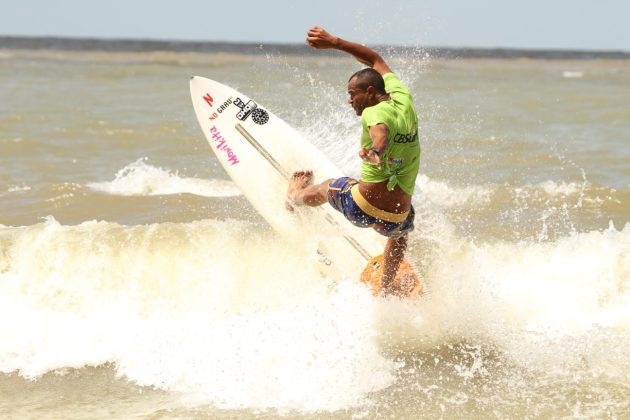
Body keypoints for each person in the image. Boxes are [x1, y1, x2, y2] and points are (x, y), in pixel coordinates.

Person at [287, 26, 421, 296]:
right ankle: (385, 287)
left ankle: (294, 198)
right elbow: (375, 60)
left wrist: (377, 151)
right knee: (402, 232)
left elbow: (380, 133)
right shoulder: (403, 99)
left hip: (362, 208)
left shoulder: (374, 113)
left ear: (370, 92)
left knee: (329, 186)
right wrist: (335, 42)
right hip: (395, 218)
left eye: (353, 94)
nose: (349, 100)